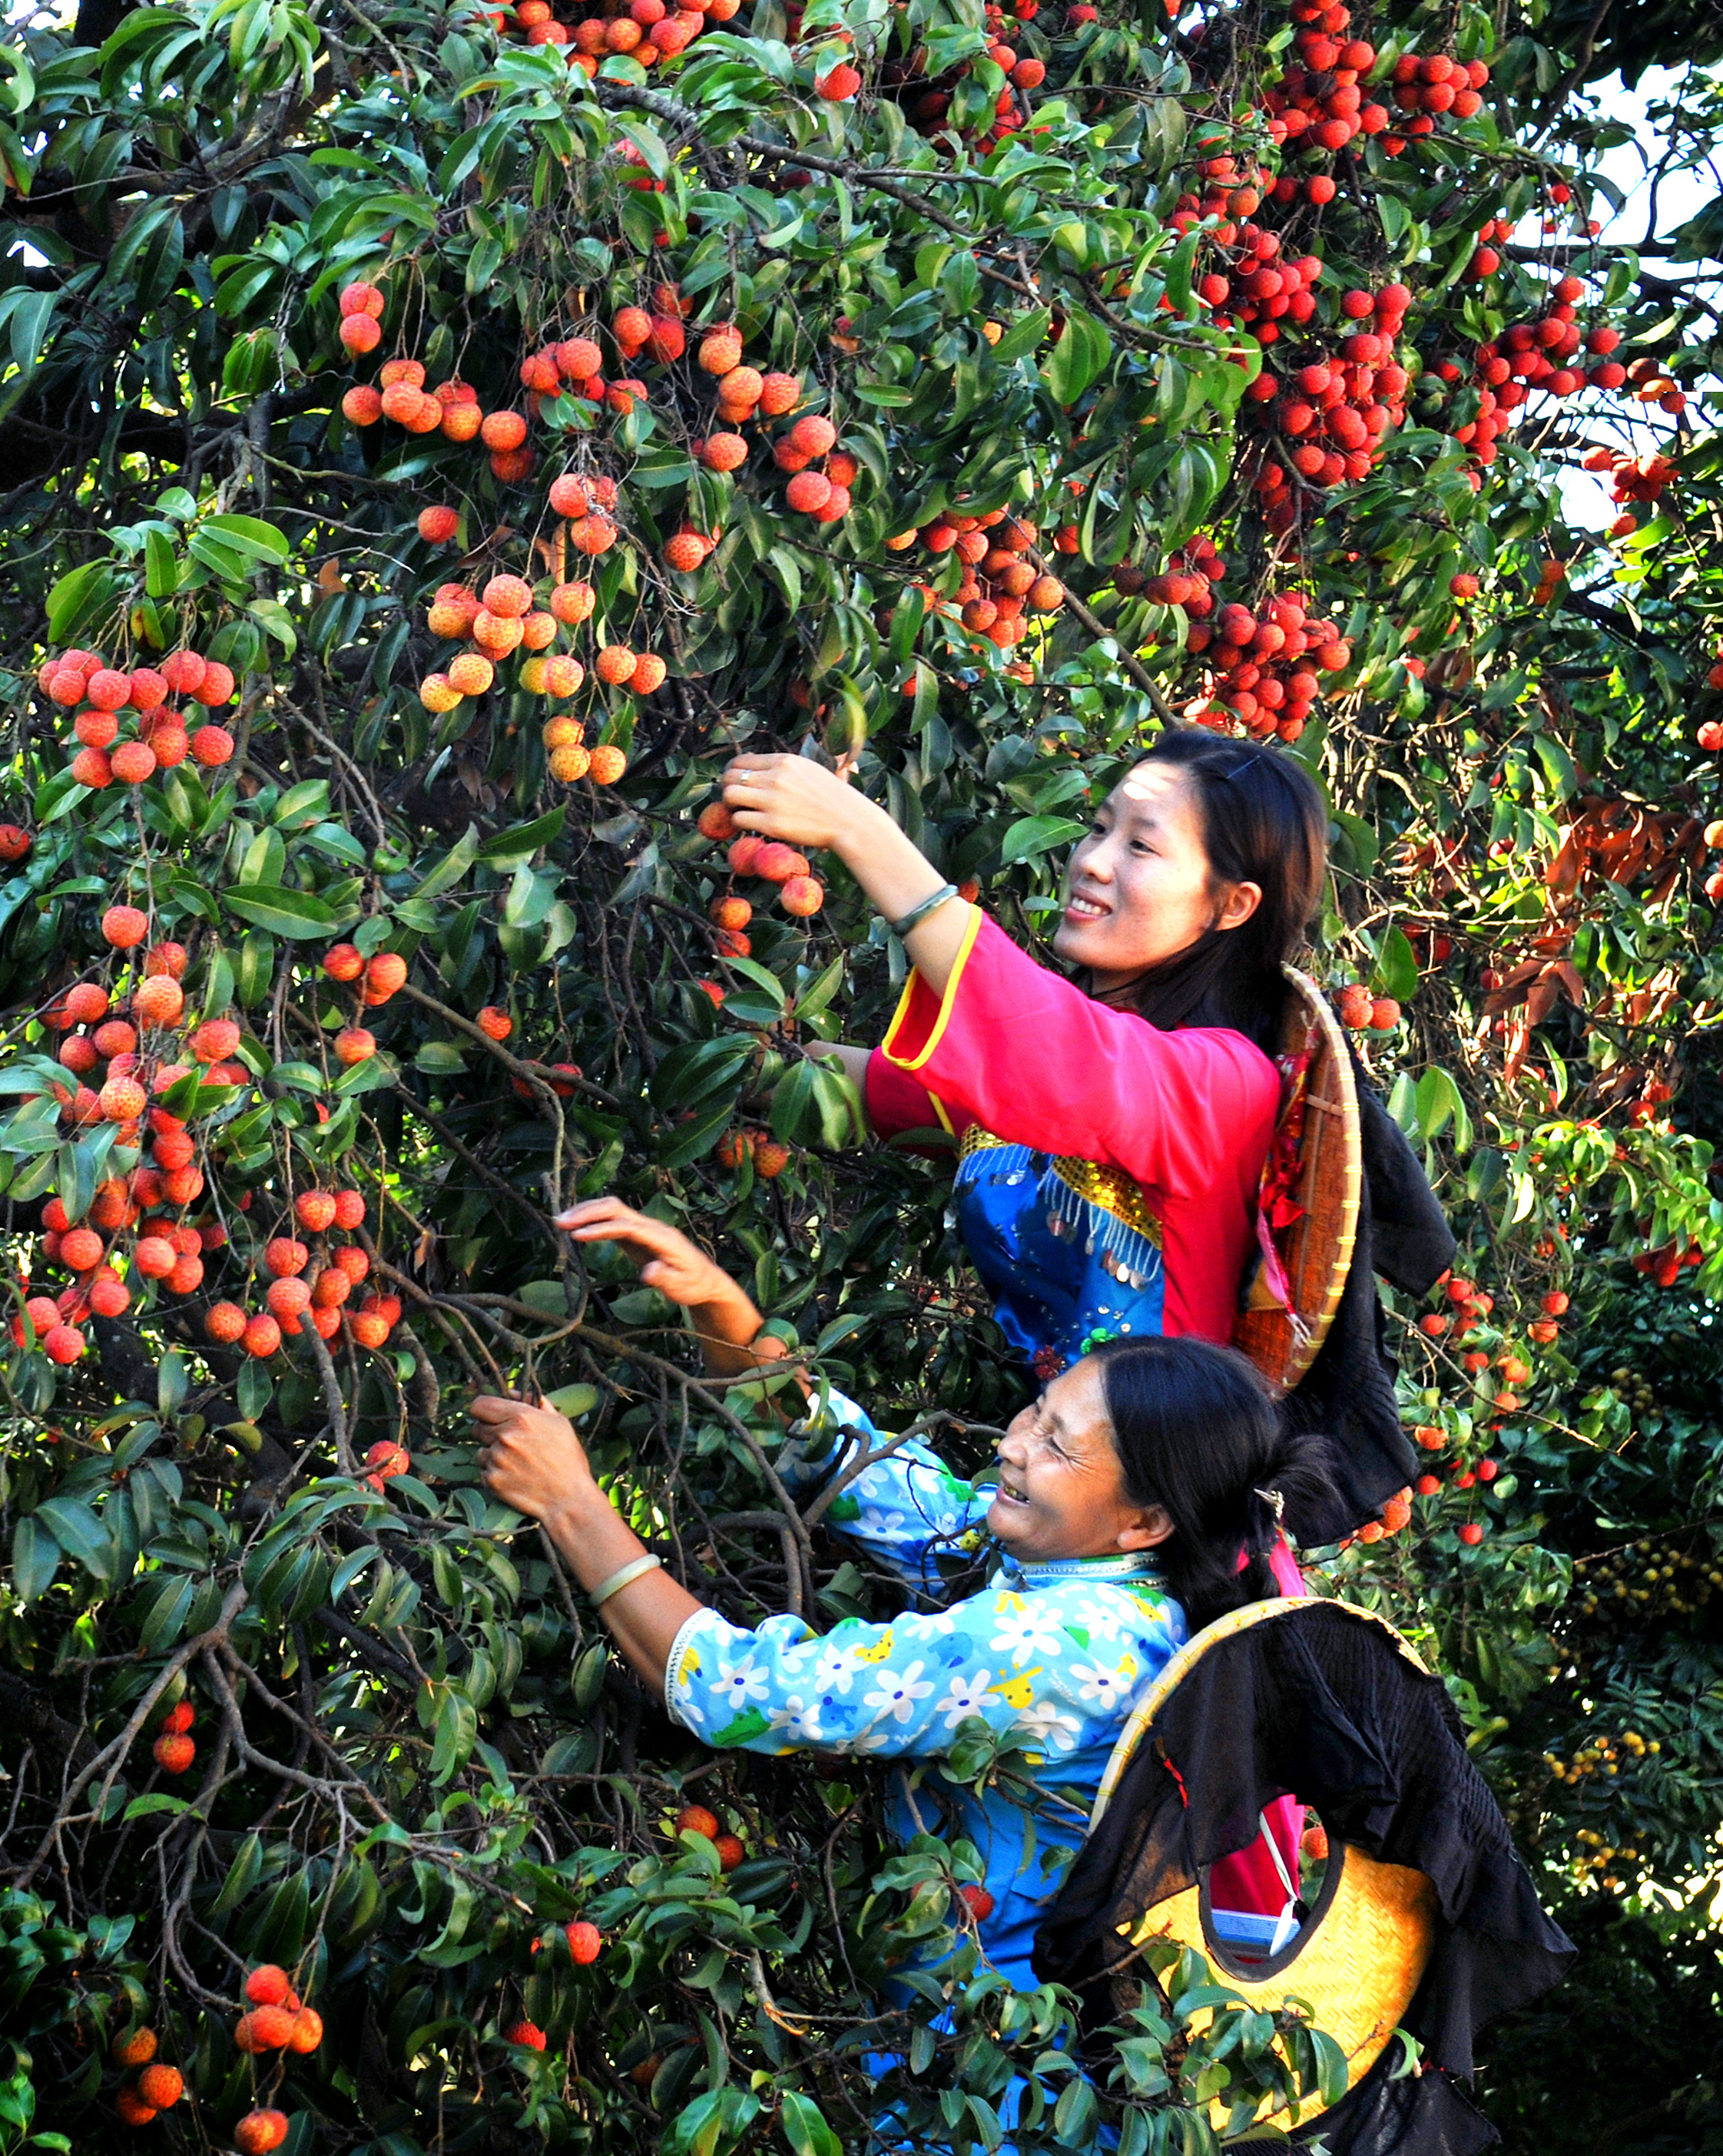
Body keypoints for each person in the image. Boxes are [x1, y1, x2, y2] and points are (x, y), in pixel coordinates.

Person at [472, 1199, 1337, 2141]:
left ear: (1144, 1520)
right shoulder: (1104, 1578)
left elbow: (734, 1688)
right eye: (1036, 1412)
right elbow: (874, 1478)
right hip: (960, 2051)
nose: (1013, 1442)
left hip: (997, 2094)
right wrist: (724, 1311)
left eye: (1056, 1444)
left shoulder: (1051, 1647)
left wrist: (571, 1505)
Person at [717, 733, 1453, 1556]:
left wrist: (861, 829)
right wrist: (707, 1047)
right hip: (1055, 1509)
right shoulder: (1083, 1073)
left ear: (1231, 904)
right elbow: (886, 1091)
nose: (1094, 861)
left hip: (1152, 1555)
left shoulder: (1225, 1083)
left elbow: (1056, 1052)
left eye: (1140, 844)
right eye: (1099, 828)